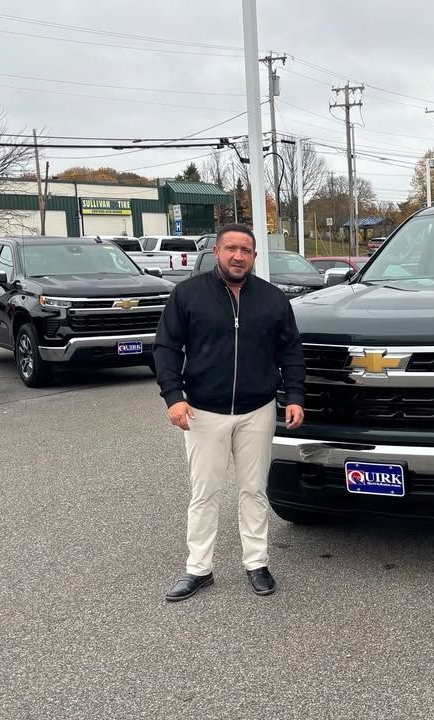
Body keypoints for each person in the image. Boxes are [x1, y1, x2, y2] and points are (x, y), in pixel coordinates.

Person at [154, 223, 305, 602]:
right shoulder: (188, 295)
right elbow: (166, 347)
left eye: (246, 251)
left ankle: (257, 564)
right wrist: (173, 396)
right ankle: (198, 569)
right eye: (231, 249)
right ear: (217, 252)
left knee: (254, 490)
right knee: (204, 493)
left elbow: (290, 351)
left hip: (258, 410)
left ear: (254, 256)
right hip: (203, 412)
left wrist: (295, 396)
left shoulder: (272, 300)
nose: (238, 256)